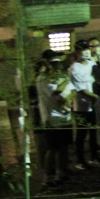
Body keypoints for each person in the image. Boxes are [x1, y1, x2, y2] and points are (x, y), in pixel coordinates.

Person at [37, 57, 73, 186]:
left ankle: (62, 172)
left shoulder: (58, 77)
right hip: (52, 120)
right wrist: (67, 81)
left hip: (64, 118)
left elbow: (71, 92)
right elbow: (57, 95)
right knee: (53, 148)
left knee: (63, 147)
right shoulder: (44, 79)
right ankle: (50, 175)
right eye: (54, 64)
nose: (57, 67)